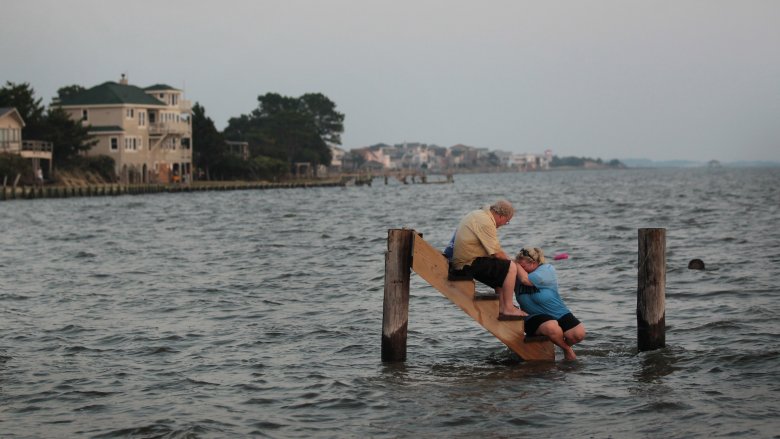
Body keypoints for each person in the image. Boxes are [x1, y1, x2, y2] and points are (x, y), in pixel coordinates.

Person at [450, 199, 526, 320]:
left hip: (464, 260)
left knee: (502, 269)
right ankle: (508, 308)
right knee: (510, 267)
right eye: (507, 222)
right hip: (467, 264)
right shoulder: (486, 222)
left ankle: (502, 306)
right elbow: (496, 253)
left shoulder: (479, 214)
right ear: (501, 216)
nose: (503, 225)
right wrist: (516, 265)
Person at [514, 247, 585, 360]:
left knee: (578, 333)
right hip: (533, 317)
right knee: (552, 327)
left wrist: (515, 264)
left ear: (534, 263)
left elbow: (525, 280)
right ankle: (567, 350)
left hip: (557, 312)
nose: (520, 269)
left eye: (523, 266)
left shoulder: (547, 270)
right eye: (519, 266)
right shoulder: (517, 274)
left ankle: (559, 346)